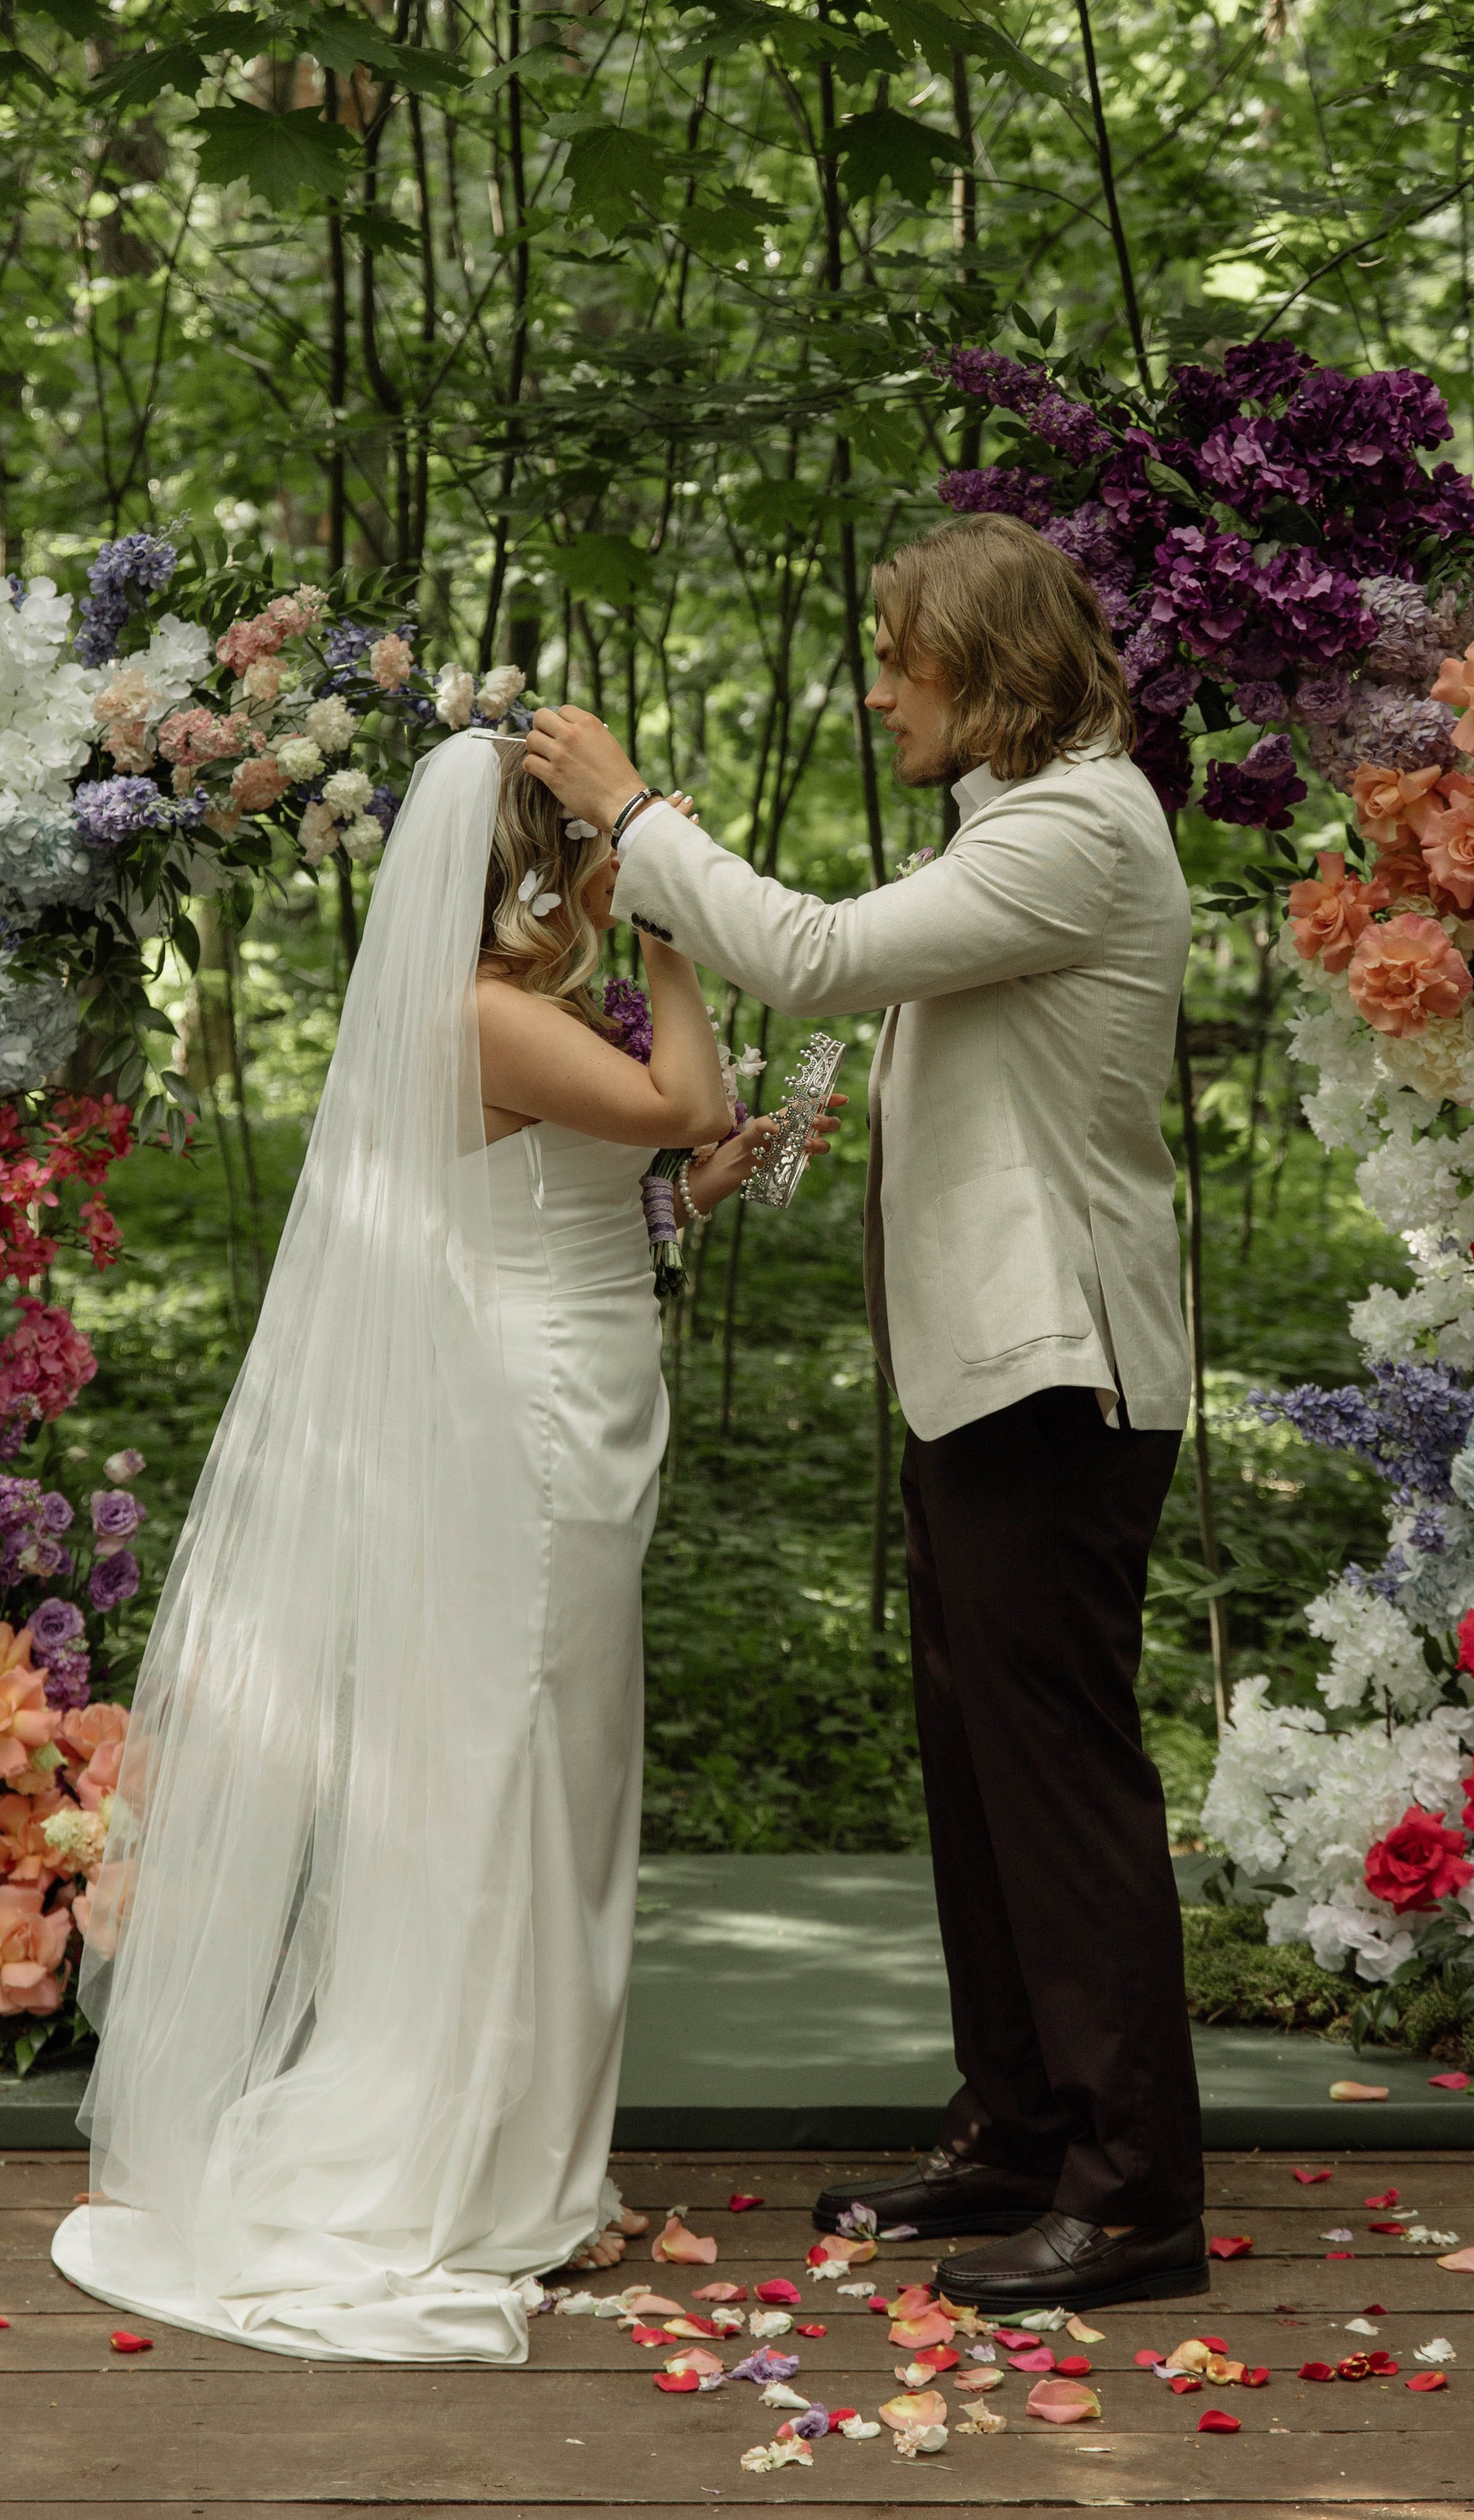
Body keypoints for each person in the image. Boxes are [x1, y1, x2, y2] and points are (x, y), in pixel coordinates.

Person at [523, 511, 1208, 2317]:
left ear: (986, 671)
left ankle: (1132, 2192)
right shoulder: (1018, 831)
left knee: (1054, 1782)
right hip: (987, 1375)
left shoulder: (1076, 825)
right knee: (979, 1776)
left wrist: (632, 805)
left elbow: (813, 955)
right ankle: (1018, 2134)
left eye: (900, 654)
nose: (877, 685)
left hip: (1061, 1375)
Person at [51, 731, 805, 2363]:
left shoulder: (504, 1020)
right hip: (532, 1424)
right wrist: (672, 917)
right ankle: (483, 2163)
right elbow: (681, 1094)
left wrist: (683, 1203)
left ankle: (532, 2146)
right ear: (545, 869)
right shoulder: (479, 1013)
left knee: (556, 1766)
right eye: (594, 850)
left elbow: (593, 1187)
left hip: (576, 1388)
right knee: (521, 1770)